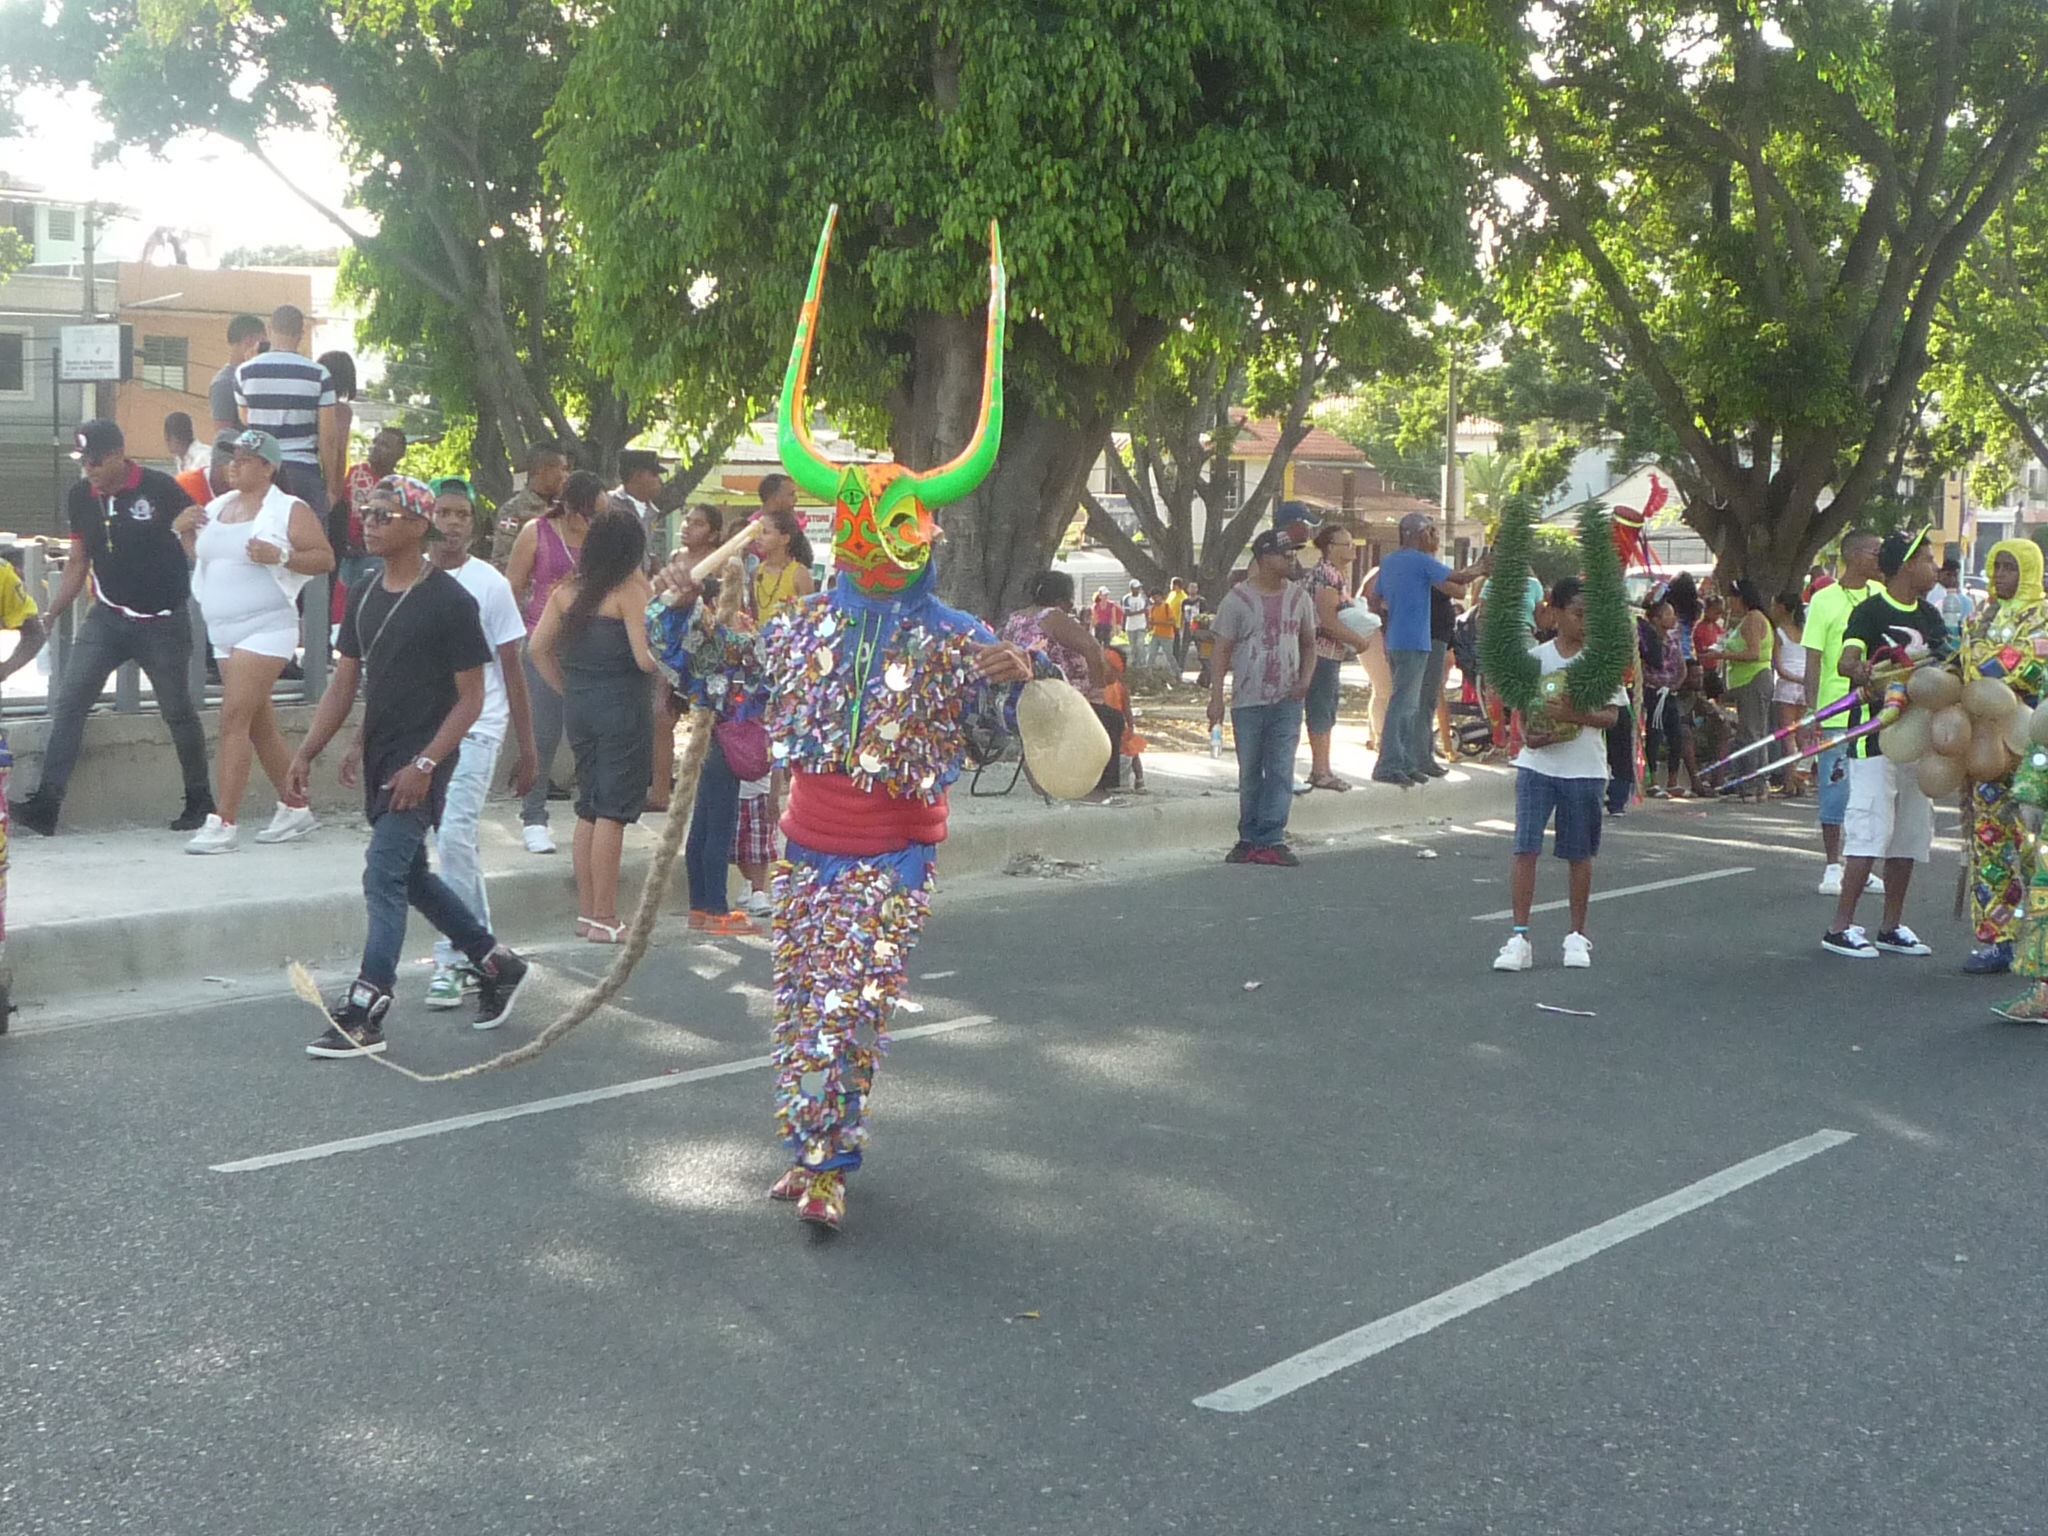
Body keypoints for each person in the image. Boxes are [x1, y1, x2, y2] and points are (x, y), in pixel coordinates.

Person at [289, 475, 531, 1055]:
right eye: (367, 514)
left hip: (425, 762)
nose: (369, 523)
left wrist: (425, 763)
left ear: (418, 526)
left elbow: (471, 698)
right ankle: (495, 963)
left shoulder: (451, 601)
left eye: (384, 515)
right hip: (382, 756)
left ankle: (366, 1007)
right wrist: (311, 749)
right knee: (413, 876)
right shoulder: (368, 592)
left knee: (383, 872)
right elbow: (348, 684)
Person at [10, 421, 213, 837]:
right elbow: (78, 561)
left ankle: (199, 801)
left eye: (96, 460)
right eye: (83, 461)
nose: (89, 469)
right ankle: (47, 805)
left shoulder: (161, 489)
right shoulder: (80, 496)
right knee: (69, 703)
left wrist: (178, 530)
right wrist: (51, 613)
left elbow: (196, 547)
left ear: (120, 454)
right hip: (107, 616)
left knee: (177, 712)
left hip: (163, 621)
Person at [173, 428, 334, 853]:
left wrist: (281, 555)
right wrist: (186, 533)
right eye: (232, 456)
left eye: (245, 458)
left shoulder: (288, 510)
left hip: (266, 627)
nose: (234, 463)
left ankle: (223, 820)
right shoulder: (219, 505)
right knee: (259, 725)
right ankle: (296, 807)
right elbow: (207, 557)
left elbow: (324, 558)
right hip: (223, 632)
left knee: (233, 720)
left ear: (268, 467)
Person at [417, 479, 540, 1006]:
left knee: (454, 837)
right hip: (425, 730)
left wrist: (529, 749)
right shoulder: (410, 579)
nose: (451, 523)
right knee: (448, 843)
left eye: (462, 515)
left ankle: (452, 957)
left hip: (480, 726)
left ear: (474, 524)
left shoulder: (489, 585)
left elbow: (513, 669)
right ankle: (484, 951)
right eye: (443, 512)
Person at [530, 509, 657, 943]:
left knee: (588, 804)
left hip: (580, 707)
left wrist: (566, 688)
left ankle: (588, 913)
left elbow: (537, 648)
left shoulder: (565, 591)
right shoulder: (629, 591)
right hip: (623, 708)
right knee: (613, 812)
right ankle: (606, 915)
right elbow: (645, 659)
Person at [1822, 529, 1946, 960]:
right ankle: (1840, 926)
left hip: (1919, 738)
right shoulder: (1871, 612)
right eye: (1927, 558)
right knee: (1869, 828)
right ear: (1906, 565)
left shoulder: (1931, 616)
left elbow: (1946, 668)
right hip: (1874, 737)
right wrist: (1862, 673)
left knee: (1909, 835)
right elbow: (1847, 659)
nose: (1934, 566)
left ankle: (1890, 926)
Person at [1492, 577, 1627, 972]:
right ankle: (1519, 935)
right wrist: (1528, 737)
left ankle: (1576, 934)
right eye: (1578, 613)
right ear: (1555, 613)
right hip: (1538, 767)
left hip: (1584, 769)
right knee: (1525, 847)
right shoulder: (1536, 659)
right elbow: (1522, 711)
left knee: (1578, 853)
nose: (1585, 622)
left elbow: (1613, 716)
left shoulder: (1599, 663)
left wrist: (1571, 716)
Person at [654, 519, 768, 936]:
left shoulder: (703, 633)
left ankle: (701, 906)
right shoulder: (736, 634)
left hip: (705, 732)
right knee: (716, 825)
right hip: (727, 736)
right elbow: (761, 678)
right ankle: (716, 907)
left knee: (702, 824)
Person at [1956, 539, 2048, 975]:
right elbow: (1963, 663)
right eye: (1996, 568)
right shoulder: (1979, 616)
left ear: (2028, 571)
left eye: (2009, 569)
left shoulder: (2043, 614)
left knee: (2034, 848)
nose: (1999, 577)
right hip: (1986, 746)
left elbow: (2028, 665)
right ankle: (1997, 940)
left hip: (2033, 751)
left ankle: (2039, 944)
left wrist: (1980, 665)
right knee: (1988, 842)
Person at [1208, 528, 1317, 865]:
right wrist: (1216, 698)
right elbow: (1221, 651)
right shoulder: (1237, 601)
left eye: (1292, 554)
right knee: (1250, 769)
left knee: (1281, 767)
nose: (1291, 559)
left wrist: (1305, 680)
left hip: (1287, 698)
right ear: (1263, 559)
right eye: (1284, 554)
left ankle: (1271, 836)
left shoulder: (1299, 598)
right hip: (1248, 699)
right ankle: (1248, 836)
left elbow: (1309, 643)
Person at [506, 466, 594, 853]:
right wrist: (511, 641)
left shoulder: (600, 539)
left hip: (590, 644)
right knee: (542, 734)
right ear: (572, 508)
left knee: (591, 733)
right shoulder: (536, 532)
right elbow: (513, 586)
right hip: (542, 642)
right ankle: (533, 816)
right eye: (591, 512)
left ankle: (591, 813)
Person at [1371, 513, 1483, 785]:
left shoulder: (1390, 561)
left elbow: (1376, 598)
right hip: (1414, 638)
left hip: (1397, 637)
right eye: (1429, 532)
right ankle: (1389, 763)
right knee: (1405, 703)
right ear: (1418, 534)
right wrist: (1481, 567)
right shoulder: (1420, 560)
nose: (1433, 537)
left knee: (1406, 702)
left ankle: (1406, 761)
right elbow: (1459, 578)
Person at [1804, 530, 1883, 895]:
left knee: (1869, 793)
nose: (1879, 559)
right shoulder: (1823, 600)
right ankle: (1832, 865)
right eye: (1874, 552)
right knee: (1835, 790)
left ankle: (1860, 864)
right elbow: (1814, 660)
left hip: (1876, 711)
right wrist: (1811, 713)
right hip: (1835, 712)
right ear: (1852, 555)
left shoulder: (1881, 596)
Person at [1000, 569, 1116, 800]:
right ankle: (1091, 787)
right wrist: (1098, 690)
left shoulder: (1016, 618)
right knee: (1111, 718)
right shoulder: (1052, 617)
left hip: (1018, 699)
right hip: (1056, 698)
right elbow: (1092, 648)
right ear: (1063, 599)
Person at [233, 305, 342, 513]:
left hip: (261, 471)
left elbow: (246, 420)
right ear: (301, 334)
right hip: (303, 472)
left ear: (269, 329)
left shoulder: (244, 372)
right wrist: (330, 488)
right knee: (309, 542)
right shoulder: (319, 375)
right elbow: (328, 438)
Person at [652, 503, 724, 813]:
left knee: (709, 723)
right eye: (686, 520)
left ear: (713, 533)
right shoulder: (674, 559)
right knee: (662, 717)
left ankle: (703, 789)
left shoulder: (722, 563)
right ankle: (658, 791)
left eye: (697, 523)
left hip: (708, 649)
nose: (686, 526)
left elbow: (729, 603)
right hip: (673, 648)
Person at [1304, 525, 1375, 792]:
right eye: (1346, 544)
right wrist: (1358, 641)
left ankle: (1322, 768)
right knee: (1321, 708)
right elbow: (1327, 620)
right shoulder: (1326, 575)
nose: (1352, 548)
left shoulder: (1338, 575)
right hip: (1320, 653)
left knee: (1327, 708)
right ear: (1330, 547)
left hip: (1331, 653)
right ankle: (1320, 770)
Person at [1706, 579, 1774, 803]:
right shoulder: (1746, 620)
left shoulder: (1753, 619)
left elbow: (1753, 653)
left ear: (1741, 598)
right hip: (1747, 682)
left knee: (1751, 734)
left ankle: (1752, 784)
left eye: (1732, 599)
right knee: (1753, 732)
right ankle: (1757, 783)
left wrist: (1722, 656)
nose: (1729, 604)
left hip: (1753, 680)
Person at [336, 425, 405, 605]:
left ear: (399, 454)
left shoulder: (399, 488)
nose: (375, 447)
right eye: (375, 442)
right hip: (346, 554)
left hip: (376, 557)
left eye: (384, 445)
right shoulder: (355, 473)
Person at [1640, 597, 1692, 796]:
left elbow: (1681, 663)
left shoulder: (1673, 637)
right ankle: (1653, 781)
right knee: (1655, 733)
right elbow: (1642, 667)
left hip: (1670, 691)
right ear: (1655, 619)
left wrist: (1677, 683)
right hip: (1654, 691)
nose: (1673, 618)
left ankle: (1672, 781)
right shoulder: (1646, 640)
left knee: (1676, 735)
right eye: (1668, 614)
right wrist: (1654, 684)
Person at [490, 442, 571, 567]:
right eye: (563, 469)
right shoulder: (513, 511)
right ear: (544, 470)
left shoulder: (567, 509)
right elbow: (501, 560)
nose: (567, 476)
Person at [1770, 592, 1809, 796]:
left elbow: (1779, 667)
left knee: (1787, 736)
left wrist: (1792, 678)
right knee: (1802, 735)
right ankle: (1801, 779)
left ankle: (1789, 781)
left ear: (1783, 608)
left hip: (1787, 684)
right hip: (1805, 684)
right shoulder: (1805, 632)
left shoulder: (1779, 632)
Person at [749, 505, 816, 618]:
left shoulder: (799, 574)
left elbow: (809, 615)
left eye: (765, 532)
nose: (758, 537)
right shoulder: (756, 572)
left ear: (784, 539)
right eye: (758, 532)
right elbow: (755, 614)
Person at [208, 314, 266, 438]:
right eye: (263, 342)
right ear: (249, 340)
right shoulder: (224, 383)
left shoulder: (260, 374)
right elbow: (223, 436)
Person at [609, 448, 669, 564]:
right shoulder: (609, 505)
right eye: (655, 474)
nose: (660, 481)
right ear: (637, 476)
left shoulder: (652, 512)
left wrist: (651, 560)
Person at [1936, 557, 1976, 633]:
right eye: (1948, 575)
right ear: (1939, 574)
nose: (1952, 579)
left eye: (1955, 575)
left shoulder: (1966, 601)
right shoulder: (1933, 591)